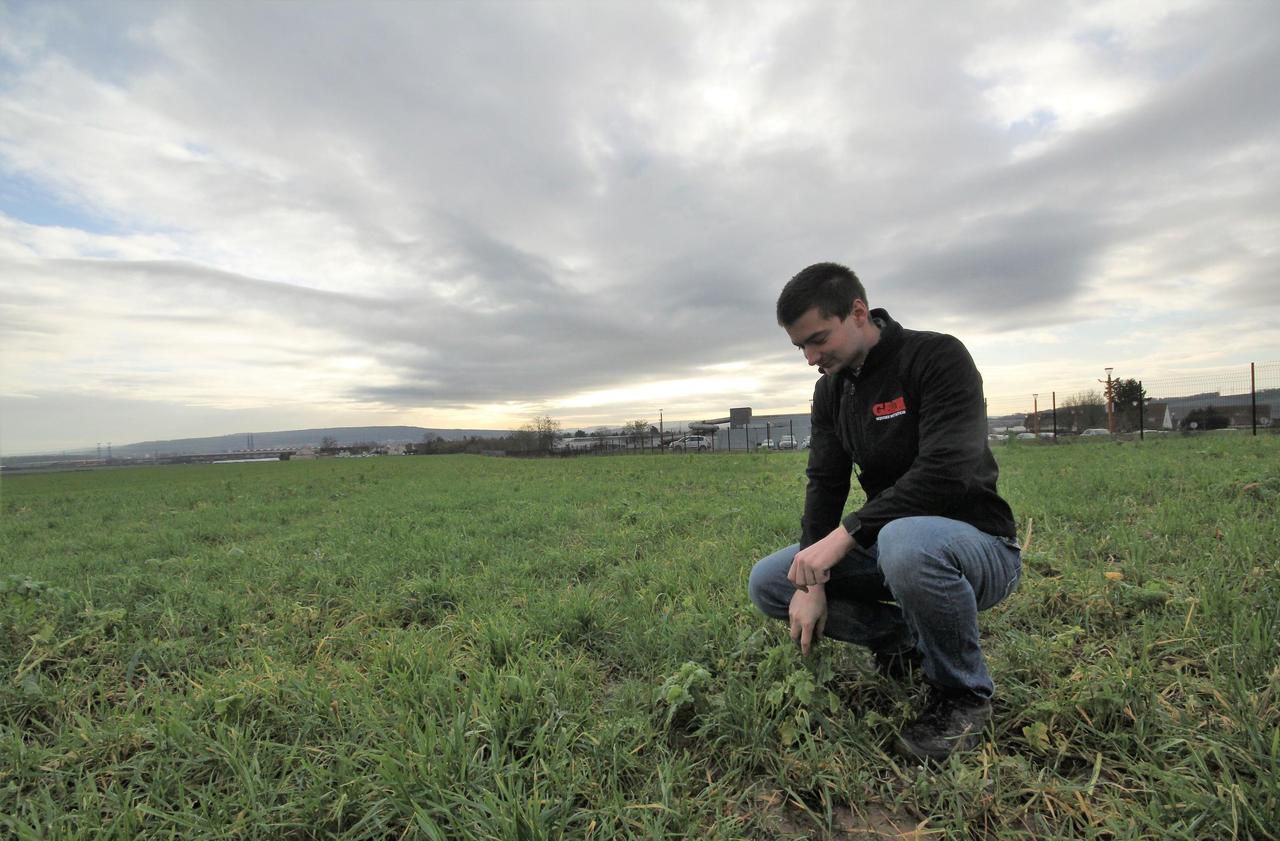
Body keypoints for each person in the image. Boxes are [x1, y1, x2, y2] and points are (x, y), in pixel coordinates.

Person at [747, 262, 1021, 761]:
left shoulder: (936, 357)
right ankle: (903, 644)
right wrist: (813, 580)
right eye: (800, 347)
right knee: (772, 579)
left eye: (818, 339)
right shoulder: (832, 389)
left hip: (978, 546)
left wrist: (848, 533)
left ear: (857, 312)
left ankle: (962, 695)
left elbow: (946, 471)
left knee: (904, 541)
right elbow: (825, 483)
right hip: (894, 544)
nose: (810, 357)